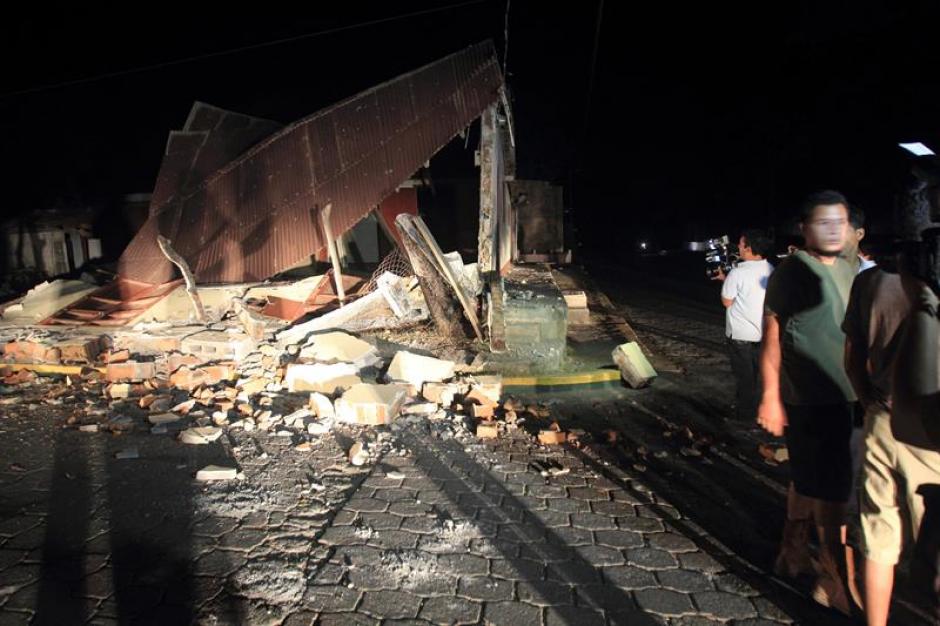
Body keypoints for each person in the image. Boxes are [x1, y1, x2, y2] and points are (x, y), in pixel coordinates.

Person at [758, 190, 859, 614]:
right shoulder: (791, 272)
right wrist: (770, 397)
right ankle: (833, 579)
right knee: (833, 492)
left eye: (840, 221)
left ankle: (792, 551)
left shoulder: (852, 268)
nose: (834, 228)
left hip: (851, 395)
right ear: (804, 228)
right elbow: (772, 337)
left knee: (808, 479)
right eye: (824, 221)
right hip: (809, 398)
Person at [852, 179, 940, 625]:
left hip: (884, 417)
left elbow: (854, 357)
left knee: (879, 534)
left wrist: (865, 397)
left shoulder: (871, 283)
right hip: (929, 435)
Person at [717, 229, 774, 420]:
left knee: (744, 377)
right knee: (756, 374)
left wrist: (726, 281)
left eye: (741, 244)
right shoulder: (771, 269)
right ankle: (754, 407)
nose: (738, 247)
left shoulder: (738, 272)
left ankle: (745, 414)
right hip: (763, 333)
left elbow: (727, 301)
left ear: (749, 248)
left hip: (740, 334)